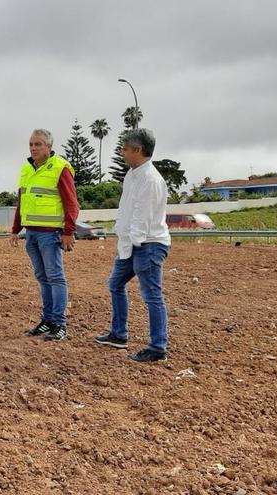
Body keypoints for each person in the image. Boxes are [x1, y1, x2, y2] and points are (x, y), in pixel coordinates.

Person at [93, 128, 172, 362]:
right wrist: (124, 242)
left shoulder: (150, 180)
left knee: (152, 295)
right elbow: (126, 209)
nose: (122, 153)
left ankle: (158, 348)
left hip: (147, 244)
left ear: (138, 150)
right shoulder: (133, 174)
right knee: (115, 283)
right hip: (132, 244)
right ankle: (118, 335)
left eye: (125, 149)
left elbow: (142, 218)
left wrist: (133, 246)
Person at [8, 129, 79, 341]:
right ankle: (47, 320)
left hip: (50, 235)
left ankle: (59, 323)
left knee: (55, 277)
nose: (33, 148)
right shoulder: (26, 170)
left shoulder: (60, 168)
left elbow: (71, 203)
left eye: (38, 144)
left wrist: (68, 232)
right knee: (42, 278)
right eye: (31, 144)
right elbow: (22, 201)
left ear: (49, 147)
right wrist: (15, 229)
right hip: (31, 234)